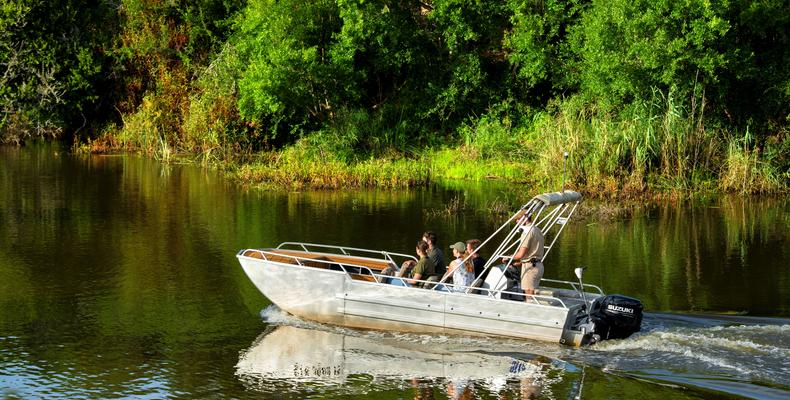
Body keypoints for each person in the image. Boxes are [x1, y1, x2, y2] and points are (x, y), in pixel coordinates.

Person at [502, 214, 544, 297]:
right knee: (532, 294)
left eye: (517, 219)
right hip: (538, 266)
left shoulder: (527, 232)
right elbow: (533, 251)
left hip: (530, 268)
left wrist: (507, 257)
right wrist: (520, 263)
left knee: (529, 297)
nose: (516, 222)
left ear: (524, 218)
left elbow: (521, 254)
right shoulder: (537, 230)